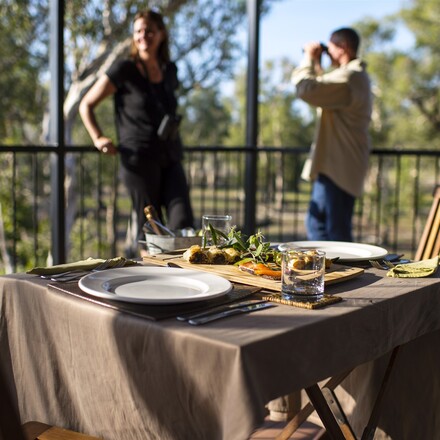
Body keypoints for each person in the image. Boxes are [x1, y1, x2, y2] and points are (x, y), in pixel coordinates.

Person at [79, 9, 194, 256]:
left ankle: (187, 285)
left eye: (149, 30)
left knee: (184, 223)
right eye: (139, 31)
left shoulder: (170, 70)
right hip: (139, 158)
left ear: (161, 34)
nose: (144, 36)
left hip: (171, 156)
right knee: (153, 231)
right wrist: (98, 137)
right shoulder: (125, 70)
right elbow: (86, 104)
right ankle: (155, 287)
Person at [291, 27, 372, 242]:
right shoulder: (353, 76)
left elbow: (306, 89)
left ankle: (339, 273)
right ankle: (335, 272)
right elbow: (323, 90)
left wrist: (308, 57)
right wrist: (318, 63)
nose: (329, 54)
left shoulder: (349, 76)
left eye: (331, 48)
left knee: (326, 227)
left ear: (343, 47)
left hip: (337, 165)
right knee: (329, 226)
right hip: (340, 163)